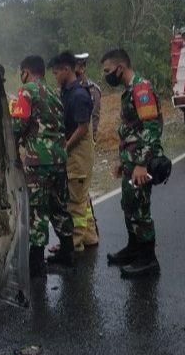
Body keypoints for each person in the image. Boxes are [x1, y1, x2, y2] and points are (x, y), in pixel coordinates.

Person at [101, 48, 163, 277]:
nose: (106, 75)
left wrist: (141, 163)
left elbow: (151, 127)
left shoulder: (141, 88)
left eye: (108, 70)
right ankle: (134, 248)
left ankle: (148, 259)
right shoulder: (129, 91)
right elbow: (130, 130)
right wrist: (123, 160)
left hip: (141, 162)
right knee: (129, 205)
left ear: (120, 68)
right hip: (131, 160)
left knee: (140, 208)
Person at [11, 55, 73, 276]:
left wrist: (11, 143)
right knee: (59, 206)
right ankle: (67, 253)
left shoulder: (27, 90)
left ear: (26, 72)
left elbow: (18, 124)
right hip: (59, 159)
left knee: (37, 210)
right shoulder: (54, 95)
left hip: (38, 162)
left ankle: (36, 264)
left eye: (21, 73)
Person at [49, 51, 99, 252]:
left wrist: (65, 147)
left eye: (56, 72)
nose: (55, 76)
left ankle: (74, 243)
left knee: (75, 201)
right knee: (82, 196)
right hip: (77, 150)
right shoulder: (66, 91)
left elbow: (83, 128)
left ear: (67, 70)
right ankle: (90, 236)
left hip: (78, 151)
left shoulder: (78, 94)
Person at [75, 53, 102, 141]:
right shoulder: (65, 89)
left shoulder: (93, 89)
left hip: (85, 139)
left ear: (83, 68)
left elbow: (95, 115)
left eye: (78, 66)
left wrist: (93, 138)